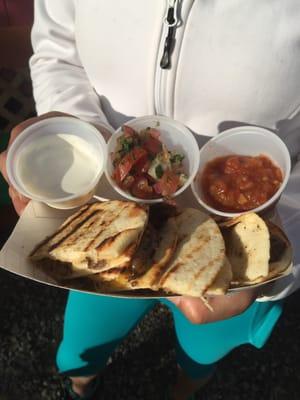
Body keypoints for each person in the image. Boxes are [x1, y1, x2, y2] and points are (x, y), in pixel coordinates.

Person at [1, 1, 300, 399]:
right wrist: (73, 133)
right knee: (80, 344)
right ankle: (79, 382)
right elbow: (58, 52)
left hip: (240, 257)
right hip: (107, 223)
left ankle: (185, 387)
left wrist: (279, 245)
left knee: (202, 352)